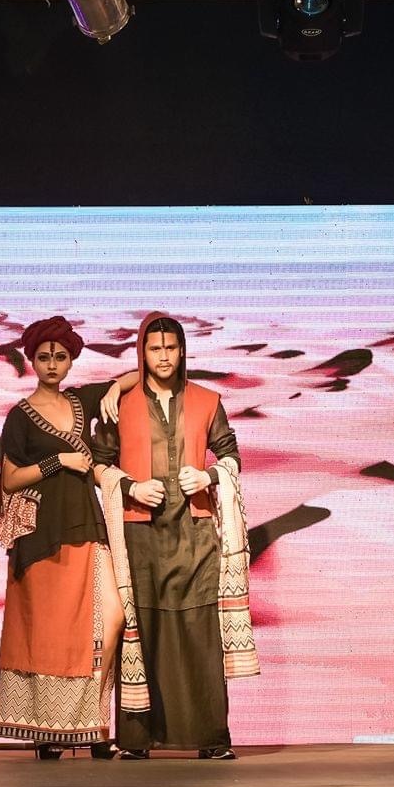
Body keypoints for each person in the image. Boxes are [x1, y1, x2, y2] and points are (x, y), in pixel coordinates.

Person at [92, 312, 259, 760]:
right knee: (143, 630)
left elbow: (231, 455)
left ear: (182, 351)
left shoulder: (207, 400)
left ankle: (211, 739)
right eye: (154, 348)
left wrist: (208, 477)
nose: (163, 356)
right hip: (140, 536)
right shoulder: (120, 405)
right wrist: (130, 487)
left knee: (200, 631)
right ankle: (136, 740)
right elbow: (98, 464)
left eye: (170, 348)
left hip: (195, 533)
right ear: (142, 352)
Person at [0, 315, 137, 758]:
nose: (52, 364)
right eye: (43, 357)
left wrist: (111, 390)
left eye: (60, 356)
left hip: (87, 523)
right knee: (53, 633)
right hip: (43, 534)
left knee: (110, 618)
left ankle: (92, 723)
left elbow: (137, 376)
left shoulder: (81, 401)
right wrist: (60, 461)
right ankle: (51, 733)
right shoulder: (20, 416)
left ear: (71, 360)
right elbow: (11, 479)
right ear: (31, 361)